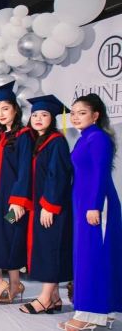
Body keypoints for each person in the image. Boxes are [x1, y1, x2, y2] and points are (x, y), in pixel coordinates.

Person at [60, 93, 122, 330]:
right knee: (91, 257)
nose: (75, 117)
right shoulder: (85, 137)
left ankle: (89, 314)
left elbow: (99, 174)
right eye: (73, 113)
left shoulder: (98, 139)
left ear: (95, 115)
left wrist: (94, 206)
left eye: (82, 113)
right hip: (83, 204)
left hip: (95, 205)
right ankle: (104, 311)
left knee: (92, 258)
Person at [0, 81, 33, 304]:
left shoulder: (24, 136)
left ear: (15, 109)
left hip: (13, 201)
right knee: (7, 237)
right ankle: (14, 284)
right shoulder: (0, 137)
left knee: (5, 236)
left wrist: (18, 201)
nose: (1, 114)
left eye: (5, 108)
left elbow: (25, 169)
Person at [19, 95, 72, 315]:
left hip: (51, 206)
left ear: (53, 119)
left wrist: (49, 205)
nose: (38, 118)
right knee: (44, 248)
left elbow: (57, 175)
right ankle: (55, 297)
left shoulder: (56, 141)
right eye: (35, 115)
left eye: (44, 115)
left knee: (50, 249)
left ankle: (44, 298)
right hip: (41, 206)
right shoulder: (39, 142)